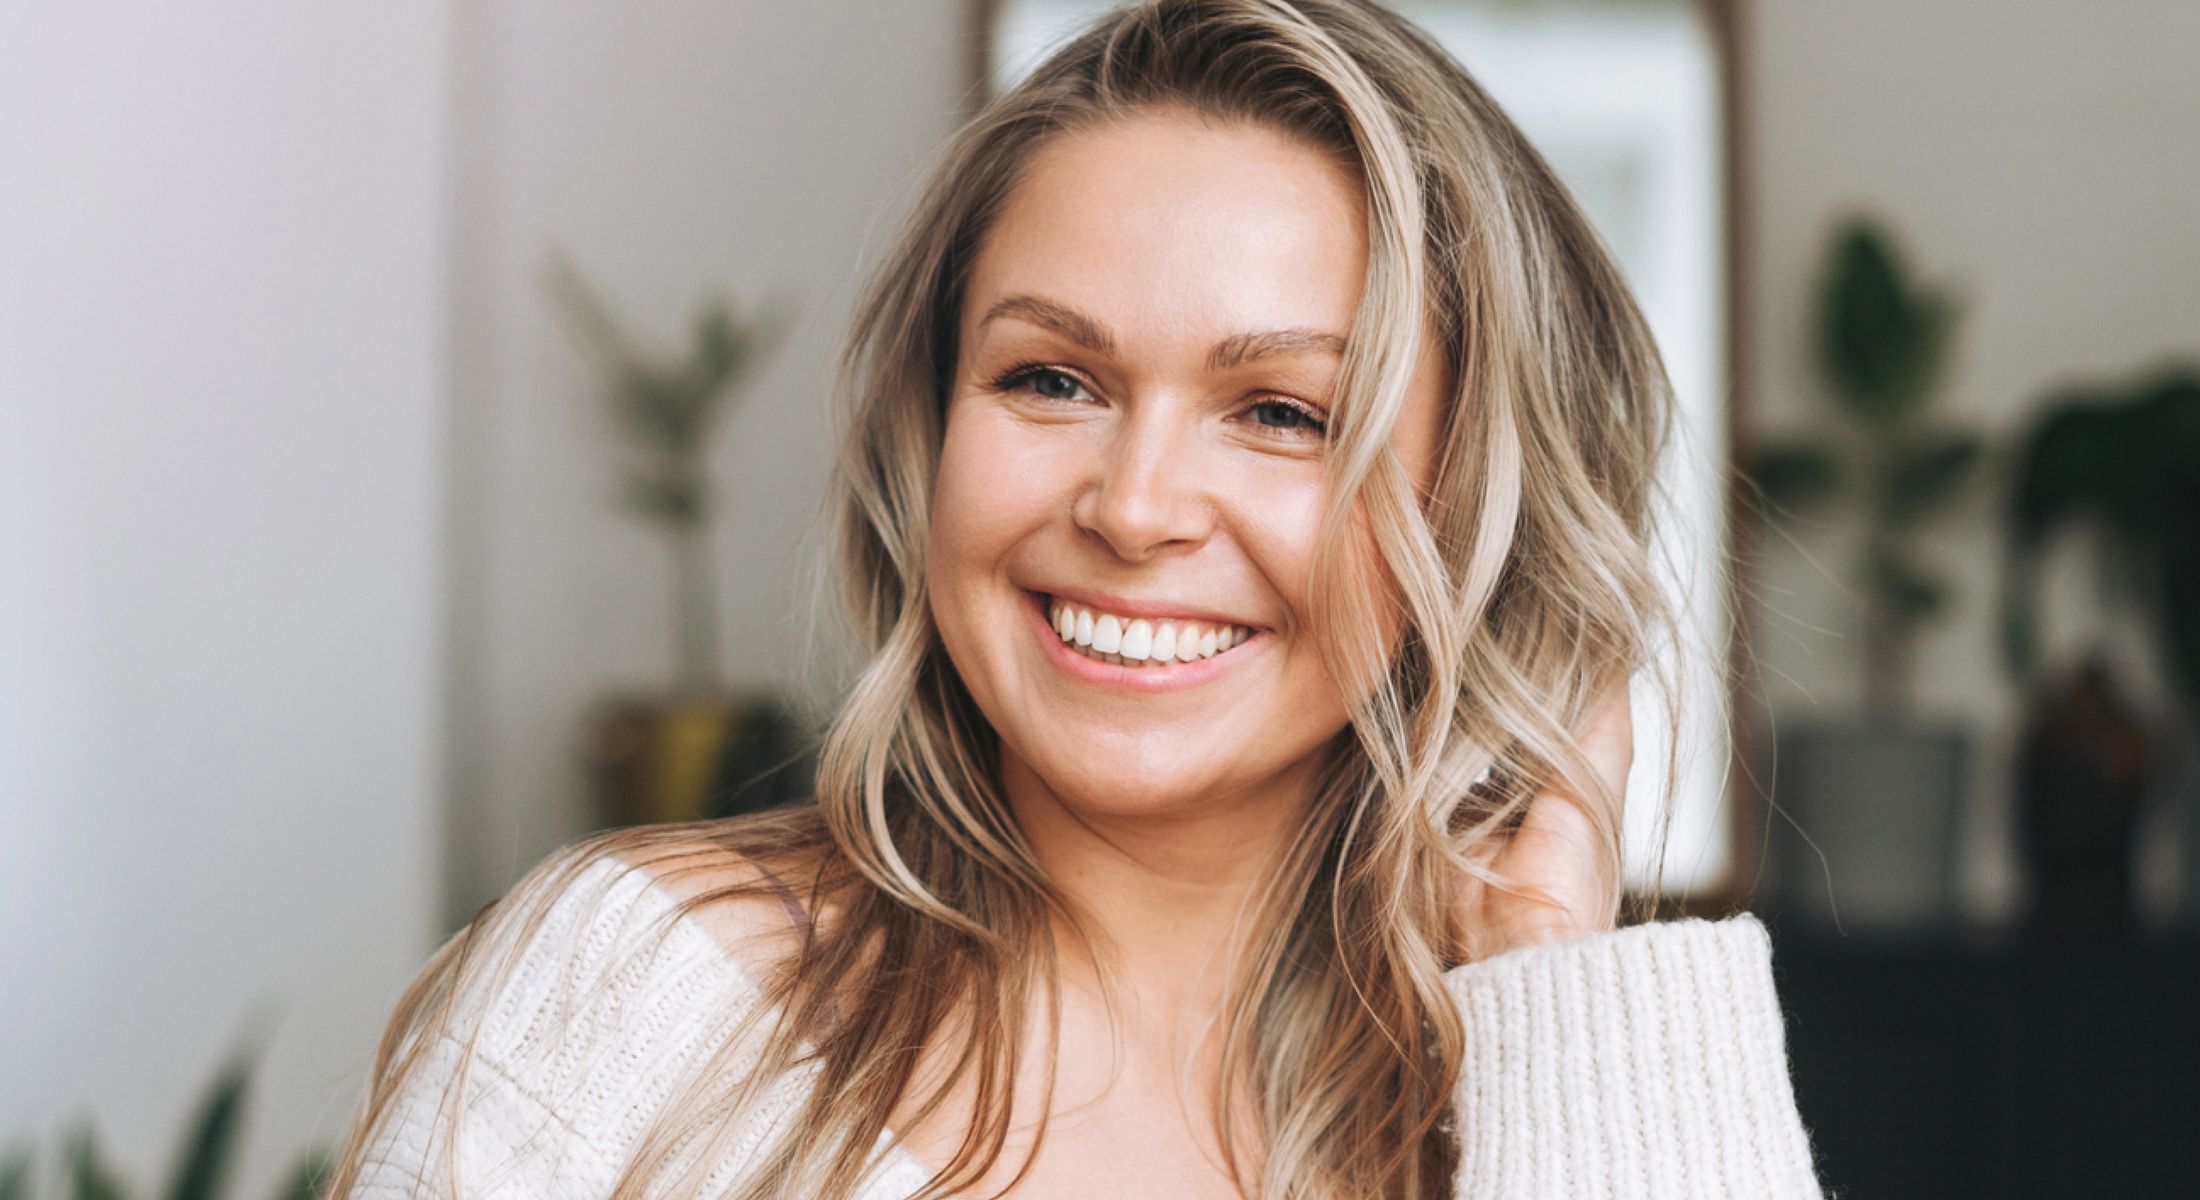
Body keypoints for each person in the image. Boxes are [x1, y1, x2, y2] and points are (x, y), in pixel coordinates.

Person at [331, 1, 1825, 1196]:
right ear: (931, 432)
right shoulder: (643, 1000)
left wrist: (1558, 974)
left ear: (1479, 519)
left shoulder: (1515, 1120)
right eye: (1051, 379)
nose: (1132, 505)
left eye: (1283, 413)